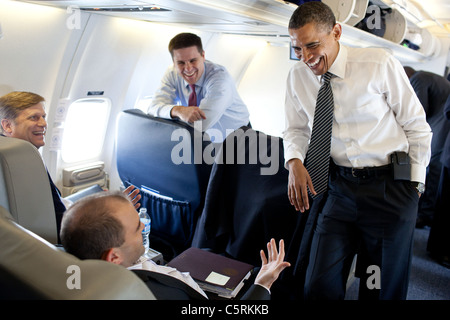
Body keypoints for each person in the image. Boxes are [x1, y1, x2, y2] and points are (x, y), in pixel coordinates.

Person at [283, 2, 432, 300]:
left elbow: (417, 127)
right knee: (318, 283)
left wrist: (414, 186)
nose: (307, 58)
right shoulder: (297, 77)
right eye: (298, 49)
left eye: (312, 45)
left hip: (389, 189)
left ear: (336, 32)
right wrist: (295, 161)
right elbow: (296, 129)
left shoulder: (378, 64)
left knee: (377, 286)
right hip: (340, 189)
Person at [60, 191, 291, 300]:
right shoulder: (148, 296)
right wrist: (264, 283)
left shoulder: (78, 262)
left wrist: (117, 210)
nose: (142, 226)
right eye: (134, 227)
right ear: (113, 258)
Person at [0, 91, 141, 240]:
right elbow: (61, 223)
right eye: (34, 117)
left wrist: (105, 202)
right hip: (65, 238)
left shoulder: (12, 154)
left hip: (64, 213)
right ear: (7, 125)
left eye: (43, 117)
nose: (43, 124)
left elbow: (55, 204)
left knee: (100, 192)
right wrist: (114, 210)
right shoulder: (23, 161)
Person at [148, 32, 250, 142]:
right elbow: (152, 108)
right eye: (181, 63)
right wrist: (178, 110)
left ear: (203, 56)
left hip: (238, 138)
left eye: (193, 60)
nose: (188, 69)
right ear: (174, 62)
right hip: (206, 139)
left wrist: (168, 113)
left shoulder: (219, 78)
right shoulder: (172, 73)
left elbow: (200, 124)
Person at [403, 67, 450, 228]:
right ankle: (427, 211)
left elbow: (417, 114)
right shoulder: (427, 76)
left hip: (443, 119)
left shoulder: (417, 79)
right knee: (433, 165)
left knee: (434, 165)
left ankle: (426, 214)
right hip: (442, 117)